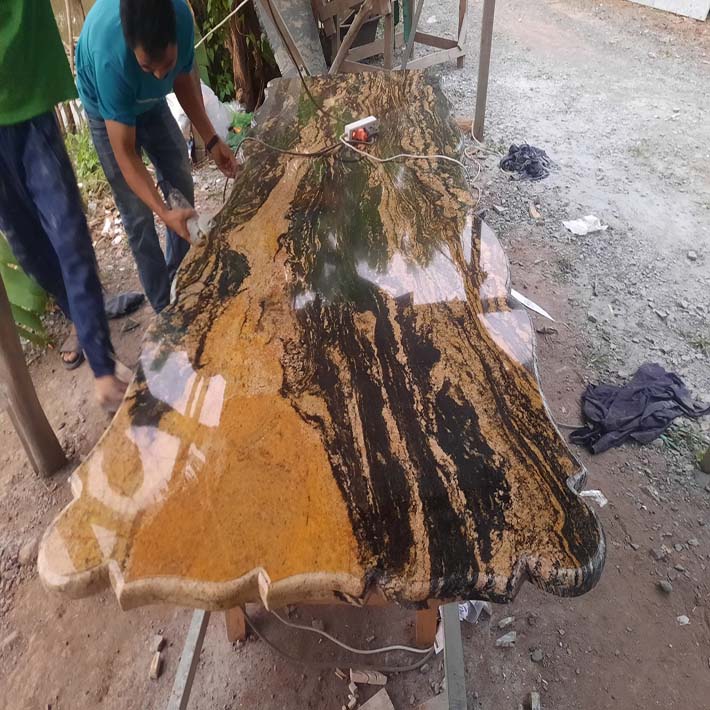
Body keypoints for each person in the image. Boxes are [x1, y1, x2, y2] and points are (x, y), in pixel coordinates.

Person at [0, 0, 126, 410]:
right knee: (31, 255)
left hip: (30, 112)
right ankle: (84, 323)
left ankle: (104, 369)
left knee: (69, 235)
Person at [76, 0, 238, 313]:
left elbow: (181, 80)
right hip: (106, 109)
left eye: (166, 62)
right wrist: (162, 212)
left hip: (150, 104)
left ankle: (181, 277)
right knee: (137, 212)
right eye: (149, 68)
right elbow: (125, 154)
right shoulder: (111, 58)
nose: (160, 75)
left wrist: (212, 140)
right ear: (131, 46)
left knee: (179, 172)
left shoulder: (181, 18)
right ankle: (164, 305)